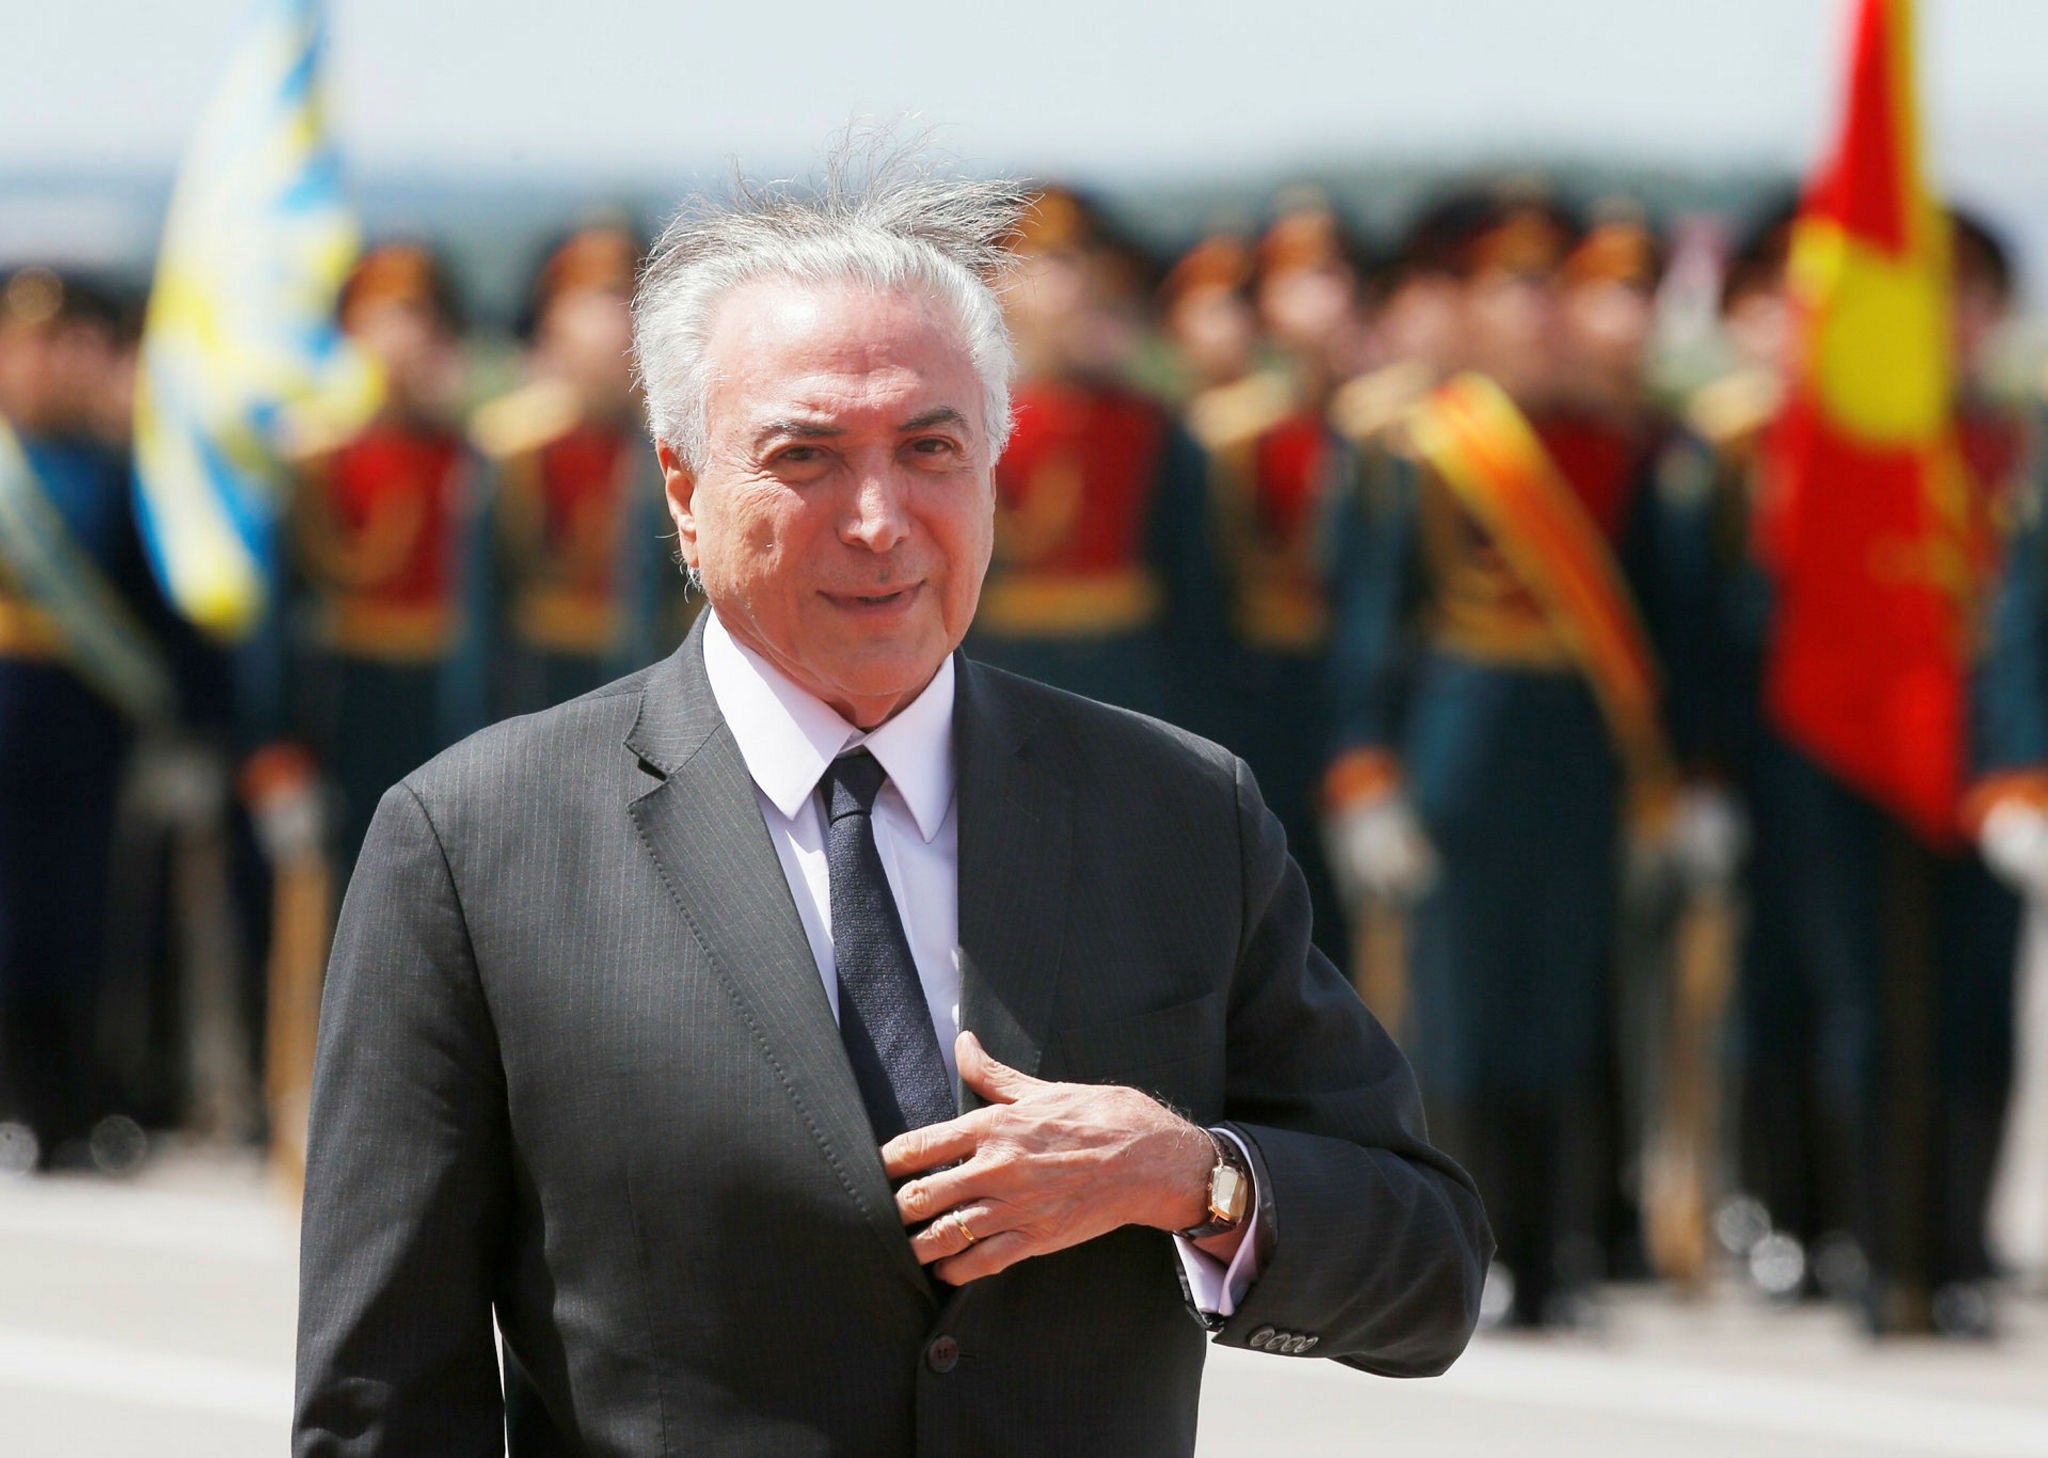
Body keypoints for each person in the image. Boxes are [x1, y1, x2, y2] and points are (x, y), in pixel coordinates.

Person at [293, 148, 1490, 1456]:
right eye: (806, 455)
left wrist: (1188, 1177)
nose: (880, 519)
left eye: (930, 447)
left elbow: (1426, 1268)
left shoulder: (1178, 812)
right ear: (685, 493)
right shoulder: (478, 845)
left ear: (994, 466)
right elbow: (380, 1406)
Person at [1320, 187, 1718, 1328]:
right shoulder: (1422, 441)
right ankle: (1472, 1251)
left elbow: (1669, 629)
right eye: (1511, 286)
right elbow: (1371, 624)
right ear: (1471, 305)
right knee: (1459, 1017)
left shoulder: (1620, 444)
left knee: (1565, 1010)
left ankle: (1558, 1254)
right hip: (1456, 756)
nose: (1537, 311)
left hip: (1581, 761)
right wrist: (1365, 776)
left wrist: (1686, 777)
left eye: (1553, 287)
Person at [0, 267, 180, 1171]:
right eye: (30, 344)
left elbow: (160, 610)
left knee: (94, 922)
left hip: (87, 730)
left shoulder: (118, 472)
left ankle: (85, 1099)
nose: (49, 365)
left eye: (71, 344)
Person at [966, 185, 1222, 727]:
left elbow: (1189, 574)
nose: (1069, 284)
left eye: (1079, 263)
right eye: (1045, 262)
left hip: (1127, 668)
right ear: (997, 281)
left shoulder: (1143, 421)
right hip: (1000, 663)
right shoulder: (963, 419)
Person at [282, 241, 490, 875]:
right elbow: (282, 618)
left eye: (418, 321)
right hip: (342, 699)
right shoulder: (313, 461)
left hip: (449, 699)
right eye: (378, 320)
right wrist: (276, 750)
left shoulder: (472, 457)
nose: (398, 342)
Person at [472, 221, 683, 715]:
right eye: (588, 303)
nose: (610, 327)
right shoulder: (507, 447)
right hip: (538, 682)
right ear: (548, 327)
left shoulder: (684, 443)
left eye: (624, 302)